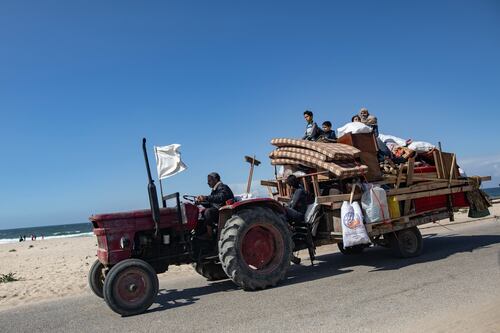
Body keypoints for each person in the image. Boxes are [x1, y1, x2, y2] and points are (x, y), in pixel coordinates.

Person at [196, 172, 234, 239]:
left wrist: (206, 197)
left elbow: (221, 197)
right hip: (217, 210)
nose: (208, 183)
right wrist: (201, 202)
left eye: (209, 180)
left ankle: (209, 234)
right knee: (200, 214)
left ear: (215, 180)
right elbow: (211, 203)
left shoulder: (222, 187)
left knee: (208, 212)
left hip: (224, 211)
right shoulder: (214, 190)